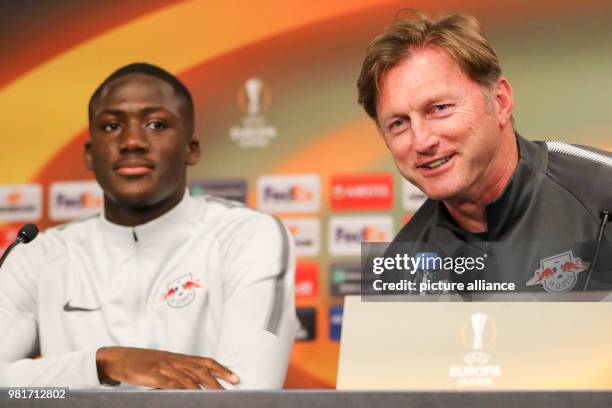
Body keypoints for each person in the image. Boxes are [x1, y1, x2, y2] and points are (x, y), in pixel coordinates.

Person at [0, 63, 296, 388]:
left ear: (191, 150)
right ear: (89, 154)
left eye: (156, 124)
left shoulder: (246, 236)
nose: (132, 141)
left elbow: (248, 389)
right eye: (112, 126)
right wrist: (102, 362)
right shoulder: (38, 255)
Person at [357, 12, 612, 294]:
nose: (421, 141)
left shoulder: (603, 192)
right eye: (398, 124)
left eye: (440, 108)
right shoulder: (399, 272)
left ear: (500, 101)